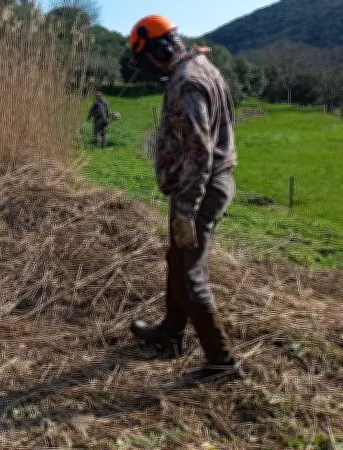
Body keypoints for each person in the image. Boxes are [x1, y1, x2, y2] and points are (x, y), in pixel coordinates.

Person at [126, 15, 245, 384]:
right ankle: (171, 333)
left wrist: (187, 211)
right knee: (176, 258)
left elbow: (199, 152)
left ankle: (221, 361)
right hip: (202, 184)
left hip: (201, 187)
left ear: (158, 50)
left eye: (145, 57)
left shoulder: (188, 81)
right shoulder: (199, 65)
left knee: (190, 272)